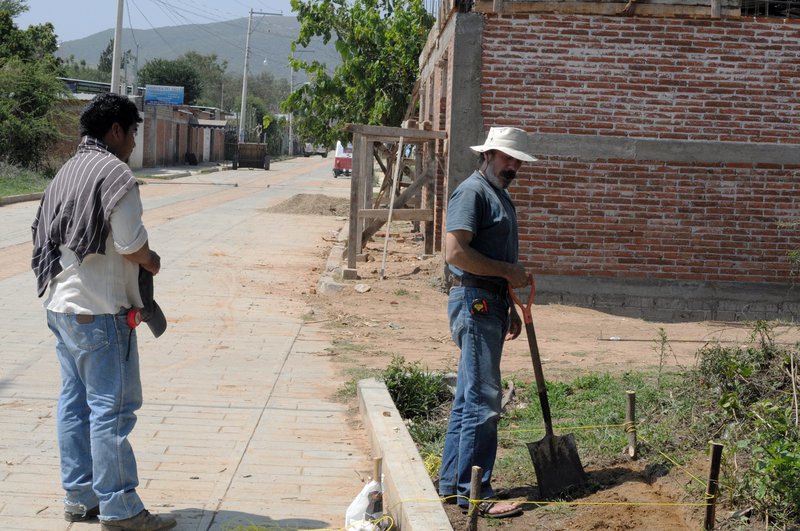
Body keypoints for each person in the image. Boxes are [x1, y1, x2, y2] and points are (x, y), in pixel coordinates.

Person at [31, 93, 176, 531]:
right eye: (132, 132)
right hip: (101, 310)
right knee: (111, 411)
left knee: (74, 406)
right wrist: (153, 263)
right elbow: (131, 244)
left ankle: (80, 498)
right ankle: (120, 508)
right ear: (116, 131)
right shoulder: (115, 174)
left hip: (62, 306)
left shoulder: (67, 171)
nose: (133, 143)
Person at [438, 127, 536, 518]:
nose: (512, 166)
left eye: (517, 161)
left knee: (468, 397)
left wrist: (509, 301)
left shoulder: (499, 196)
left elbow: (493, 261)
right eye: (507, 158)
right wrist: (508, 273)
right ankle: (476, 494)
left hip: (490, 301)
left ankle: (452, 484)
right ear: (489, 154)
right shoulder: (472, 192)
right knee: (484, 400)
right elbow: (455, 252)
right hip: (475, 300)